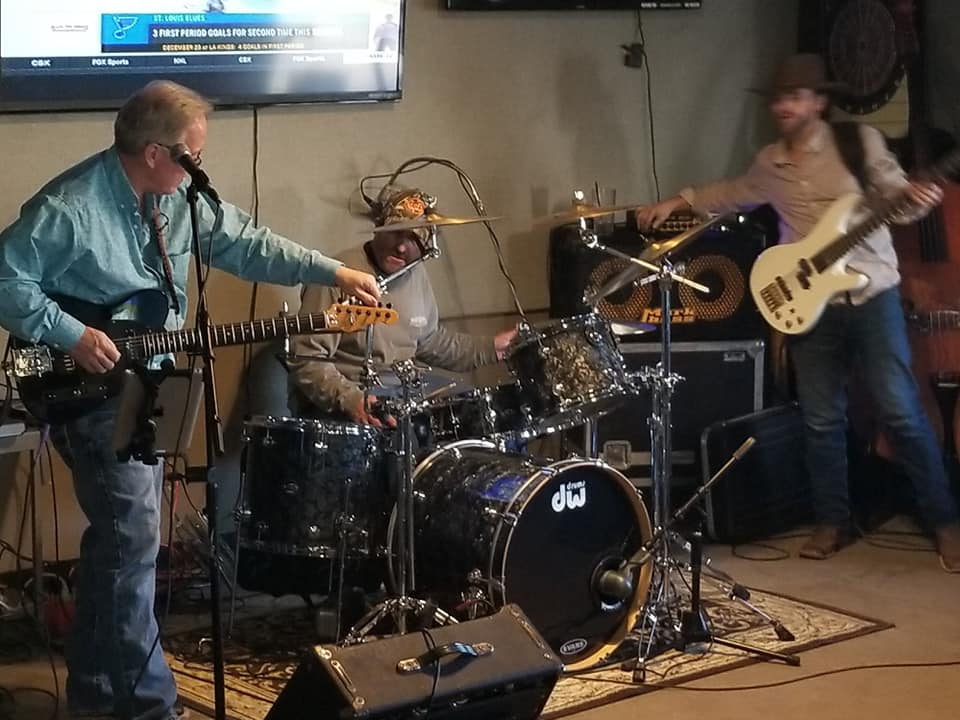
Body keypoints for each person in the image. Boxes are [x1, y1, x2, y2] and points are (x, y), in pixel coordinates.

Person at [0, 80, 380, 720]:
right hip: (84, 387)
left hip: (144, 383)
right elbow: (5, 277)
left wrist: (333, 271)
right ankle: (152, 707)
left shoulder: (180, 199)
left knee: (121, 546)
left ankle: (96, 695)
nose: (198, 165)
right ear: (154, 152)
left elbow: (248, 243)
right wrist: (73, 334)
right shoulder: (70, 207)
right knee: (133, 539)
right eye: (191, 154)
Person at [635, 54, 960, 572]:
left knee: (900, 408)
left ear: (819, 102)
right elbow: (731, 194)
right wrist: (679, 200)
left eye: (795, 97)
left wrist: (917, 198)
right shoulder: (770, 163)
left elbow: (900, 197)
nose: (783, 106)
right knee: (820, 416)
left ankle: (944, 521)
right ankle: (832, 521)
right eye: (778, 99)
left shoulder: (859, 144)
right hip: (809, 305)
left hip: (872, 294)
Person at [287, 185, 516, 426]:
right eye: (396, 233)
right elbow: (307, 359)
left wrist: (491, 348)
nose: (402, 247)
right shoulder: (338, 275)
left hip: (406, 391)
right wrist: (350, 399)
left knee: (479, 413)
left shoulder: (415, 274)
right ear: (378, 229)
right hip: (354, 397)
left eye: (414, 239)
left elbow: (429, 341)